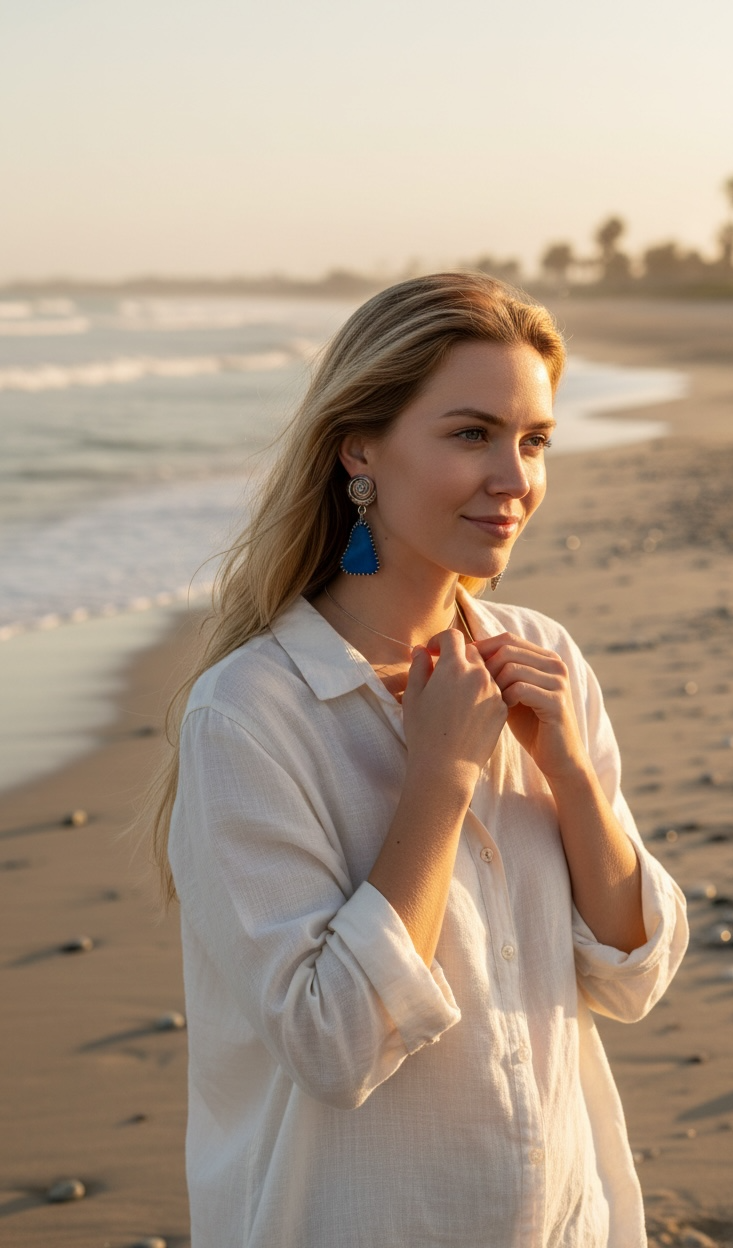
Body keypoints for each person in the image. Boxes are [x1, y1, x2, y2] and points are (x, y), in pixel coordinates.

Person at [152, 272, 688, 1248]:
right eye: (470, 433)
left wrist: (568, 770)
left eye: (533, 441)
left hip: (564, 1216)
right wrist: (437, 782)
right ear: (360, 447)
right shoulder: (250, 714)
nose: (515, 480)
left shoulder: (545, 660)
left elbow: (632, 973)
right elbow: (333, 1042)